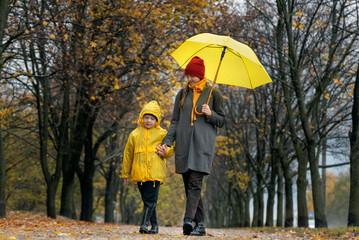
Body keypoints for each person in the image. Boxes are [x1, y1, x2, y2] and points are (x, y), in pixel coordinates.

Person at [157, 56, 226, 236]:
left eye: (192, 76)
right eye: (187, 76)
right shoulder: (182, 94)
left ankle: (188, 220)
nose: (189, 79)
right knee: (189, 185)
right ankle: (201, 224)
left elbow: (223, 120)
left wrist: (210, 114)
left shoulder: (214, 94)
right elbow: (174, 122)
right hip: (184, 145)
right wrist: (166, 143)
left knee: (195, 183)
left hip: (203, 146)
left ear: (200, 75)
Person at [121, 100, 174, 234]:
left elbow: (171, 147)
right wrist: (125, 173)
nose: (148, 121)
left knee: (150, 200)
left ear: (156, 120)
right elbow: (128, 154)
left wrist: (165, 151)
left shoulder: (162, 133)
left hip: (154, 172)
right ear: (142, 118)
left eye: (152, 118)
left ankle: (144, 225)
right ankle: (155, 226)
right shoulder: (134, 134)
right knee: (148, 201)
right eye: (146, 118)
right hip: (139, 172)